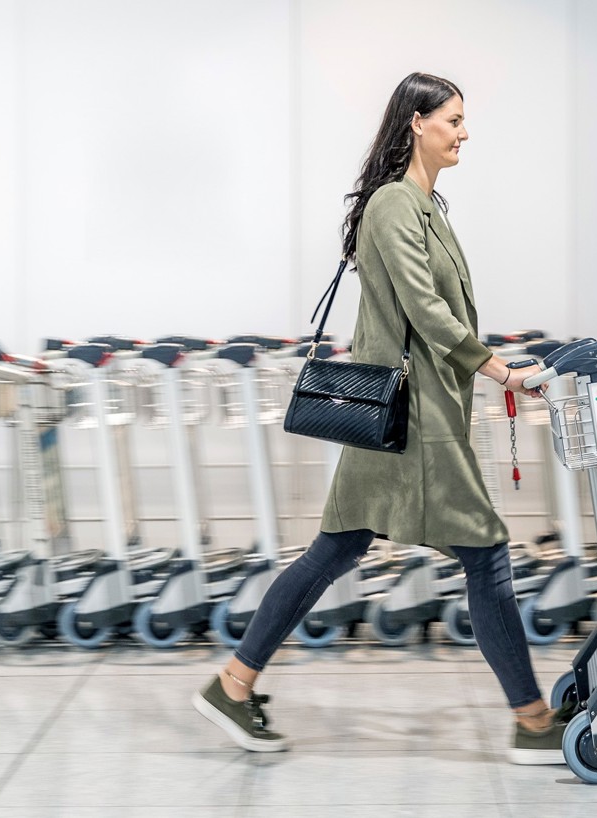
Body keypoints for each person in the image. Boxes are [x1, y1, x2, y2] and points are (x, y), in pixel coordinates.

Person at [193, 72, 568, 765]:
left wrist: (488, 365)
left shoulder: (426, 206)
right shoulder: (395, 205)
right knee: (484, 555)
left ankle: (234, 683)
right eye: (453, 119)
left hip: (416, 414)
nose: (464, 132)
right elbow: (428, 313)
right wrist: (502, 372)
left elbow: (441, 313)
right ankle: (534, 719)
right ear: (416, 122)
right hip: (413, 420)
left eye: (463, 120)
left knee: (336, 549)